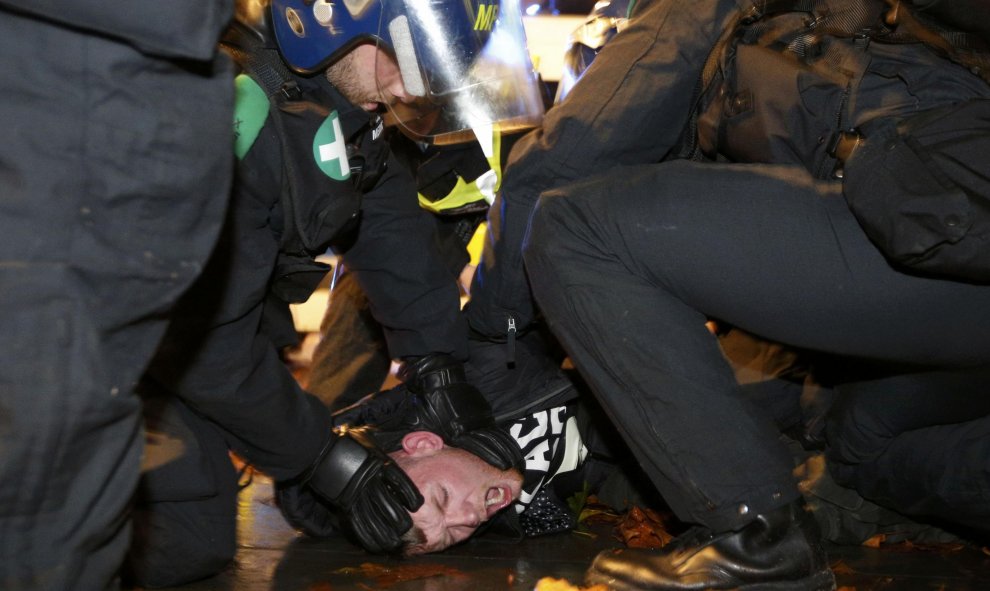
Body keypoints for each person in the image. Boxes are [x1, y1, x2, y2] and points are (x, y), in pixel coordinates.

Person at [470, 0, 990, 589]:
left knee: (574, 228)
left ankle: (759, 540)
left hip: (936, 214)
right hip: (940, 231)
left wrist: (492, 342)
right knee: (858, 440)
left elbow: (570, 152)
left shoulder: (693, 15)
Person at [125, 0, 544, 586]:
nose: (409, 92)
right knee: (174, 536)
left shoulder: (336, 101)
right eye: (406, 62)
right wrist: (322, 456)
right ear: (325, 19)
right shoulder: (226, 113)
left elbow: (389, 225)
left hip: (168, 352)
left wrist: (438, 362)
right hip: (84, 342)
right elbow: (203, 334)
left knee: (192, 525)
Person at [0, 3, 236, 590]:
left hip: (110, 217)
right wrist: (315, 457)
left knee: (68, 511)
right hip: (59, 182)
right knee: (37, 523)